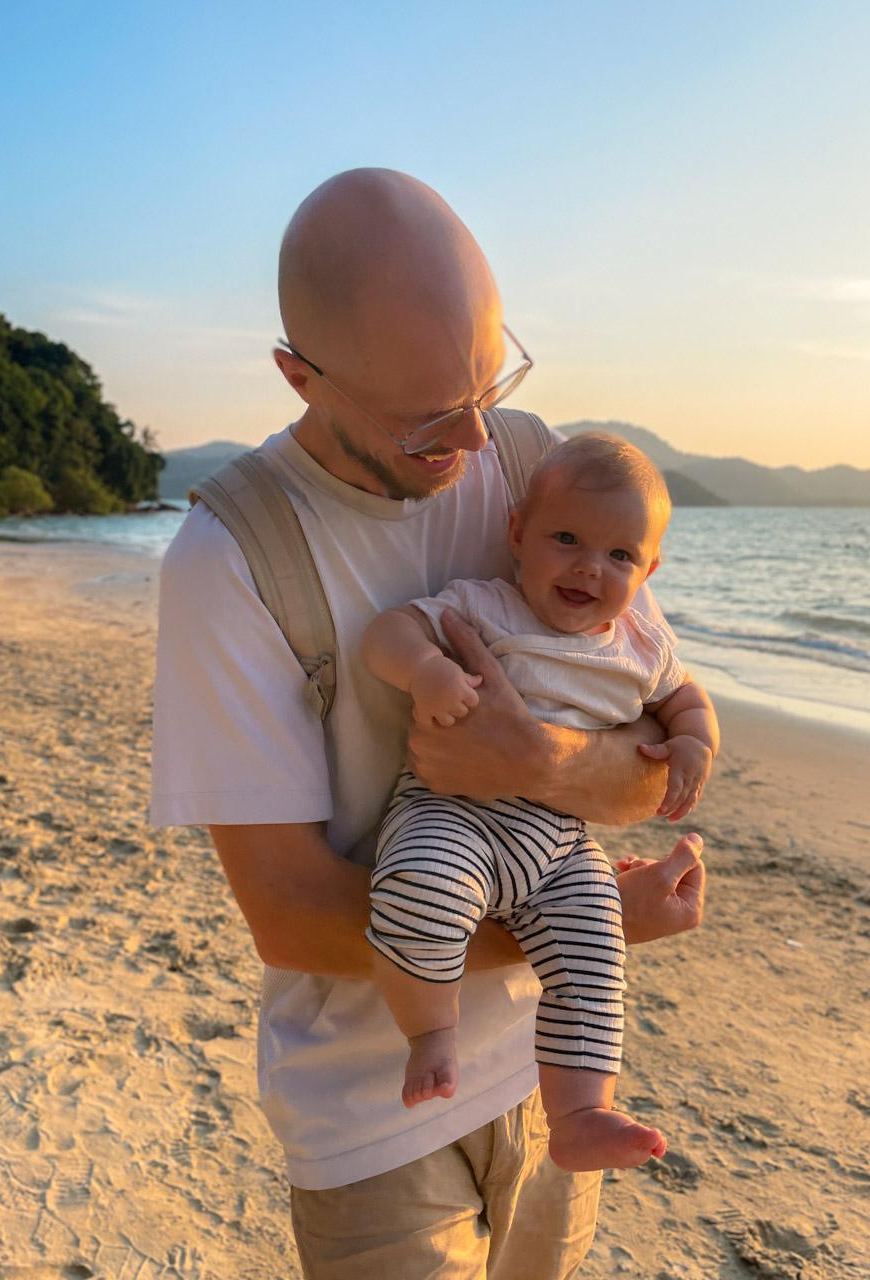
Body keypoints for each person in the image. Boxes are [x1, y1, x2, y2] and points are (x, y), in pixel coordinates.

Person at [150, 167, 707, 1280]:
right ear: (298, 374)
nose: (471, 440)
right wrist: (599, 924)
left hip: (554, 1073)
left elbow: (649, 748)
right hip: (369, 1107)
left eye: (487, 387)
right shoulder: (230, 559)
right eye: (424, 421)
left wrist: (543, 759)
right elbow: (292, 914)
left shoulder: (532, 466)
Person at [362, 431, 719, 1174]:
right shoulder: (484, 606)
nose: (592, 566)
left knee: (595, 958)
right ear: (518, 532)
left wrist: (694, 745)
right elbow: (388, 632)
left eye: (621, 556)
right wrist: (427, 669)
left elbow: (689, 700)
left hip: (559, 841)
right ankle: (430, 1031)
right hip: (451, 810)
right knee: (421, 889)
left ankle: (581, 1111)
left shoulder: (641, 646)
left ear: (649, 570)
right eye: (567, 538)